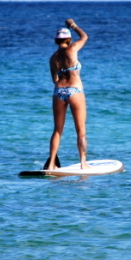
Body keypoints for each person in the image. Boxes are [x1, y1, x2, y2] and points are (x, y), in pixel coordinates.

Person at [45, 19, 90, 170]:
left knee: (57, 130)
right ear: (69, 39)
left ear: (56, 41)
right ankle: (83, 164)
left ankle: (51, 163)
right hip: (75, 90)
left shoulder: (53, 58)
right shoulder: (73, 48)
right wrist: (74, 26)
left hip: (59, 92)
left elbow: (54, 79)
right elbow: (84, 37)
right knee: (81, 130)